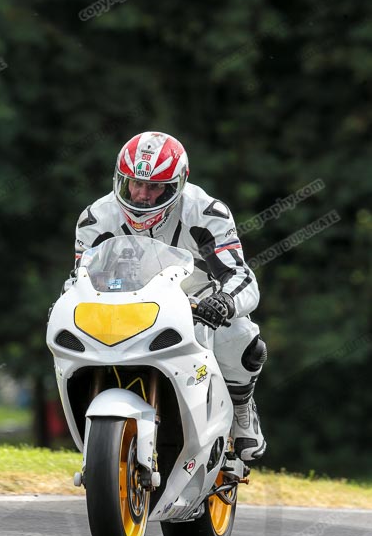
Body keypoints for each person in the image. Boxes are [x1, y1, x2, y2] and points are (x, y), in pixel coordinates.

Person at [71, 131, 266, 462]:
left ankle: (241, 406)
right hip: (124, 305)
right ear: (120, 179)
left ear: (178, 184)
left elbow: (241, 276)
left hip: (195, 304)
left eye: (155, 186)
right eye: (134, 183)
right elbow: (79, 278)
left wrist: (225, 302)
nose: (142, 195)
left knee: (243, 337)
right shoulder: (95, 218)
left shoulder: (207, 213)